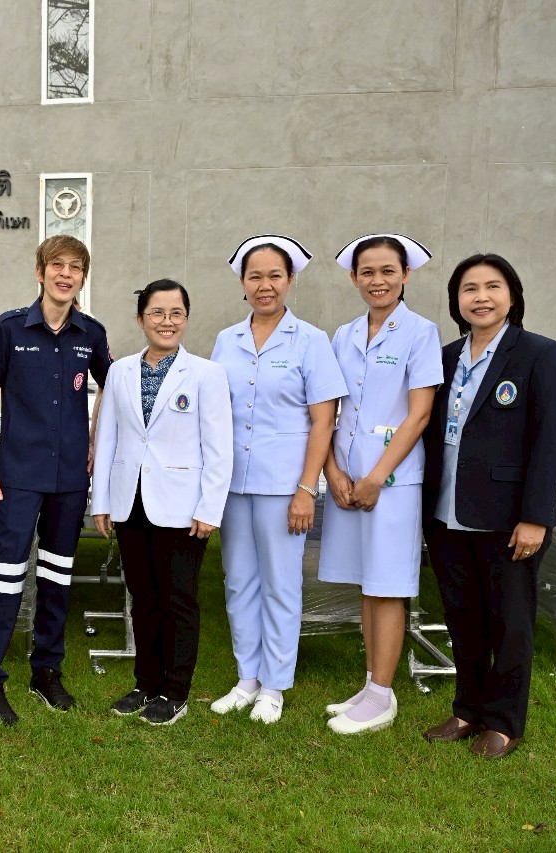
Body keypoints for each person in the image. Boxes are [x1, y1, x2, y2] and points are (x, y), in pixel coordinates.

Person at [421, 253, 556, 759]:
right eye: (469, 289)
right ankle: (467, 710)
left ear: (512, 295)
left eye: (492, 286)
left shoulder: (539, 354)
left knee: (510, 622)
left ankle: (504, 723)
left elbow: (550, 439)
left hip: (508, 518)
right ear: (456, 300)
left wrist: (535, 516)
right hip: (446, 513)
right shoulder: (445, 358)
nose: (480, 297)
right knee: (463, 618)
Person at [0, 235, 112, 725]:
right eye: (57, 264)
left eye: (75, 267)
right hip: (18, 476)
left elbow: (111, 389)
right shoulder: (10, 327)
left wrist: (94, 441)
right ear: (40, 272)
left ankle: (46, 672)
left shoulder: (91, 333)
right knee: (6, 579)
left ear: (83, 277)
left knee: (56, 577)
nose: (65, 274)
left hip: (70, 477)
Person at [208, 234, 346, 725]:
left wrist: (307, 489)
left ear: (289, 281)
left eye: (274, 276)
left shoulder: (311, 341)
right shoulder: (227, 340)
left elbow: (323, 421)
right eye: (255, 276)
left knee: (281, 584)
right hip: (234, 484)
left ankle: (275, 685)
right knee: (238, 581)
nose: (264, 285)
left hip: (285, 487)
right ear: (243, 283)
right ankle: (247, 678)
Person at [91, 279, 232, 726]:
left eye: (176, 313)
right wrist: (101, 501)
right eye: (157, 312)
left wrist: (209, 508)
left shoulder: (206, 374)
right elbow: (107, 438)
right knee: (143, 597)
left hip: (182, 507)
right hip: (130, 502)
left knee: (178, 598)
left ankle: (175, 690)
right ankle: (145, 683)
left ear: (186, 319)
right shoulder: (120, 371)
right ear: (141, 319)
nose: (166, 321)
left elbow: (219, 447)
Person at [318, 234, 443, 735]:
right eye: (367, 272)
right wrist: (332, 471)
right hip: (348, 478)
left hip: (391, 482)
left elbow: (419, 415)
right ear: (354, 278)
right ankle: (371, 684)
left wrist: (374, 478)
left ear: (405, 275)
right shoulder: (344, 335)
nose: (378, 281)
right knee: (367, 583)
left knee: (388, 585)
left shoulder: (421, 333)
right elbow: (330, 409)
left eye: (388, 271)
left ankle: (384, 696)